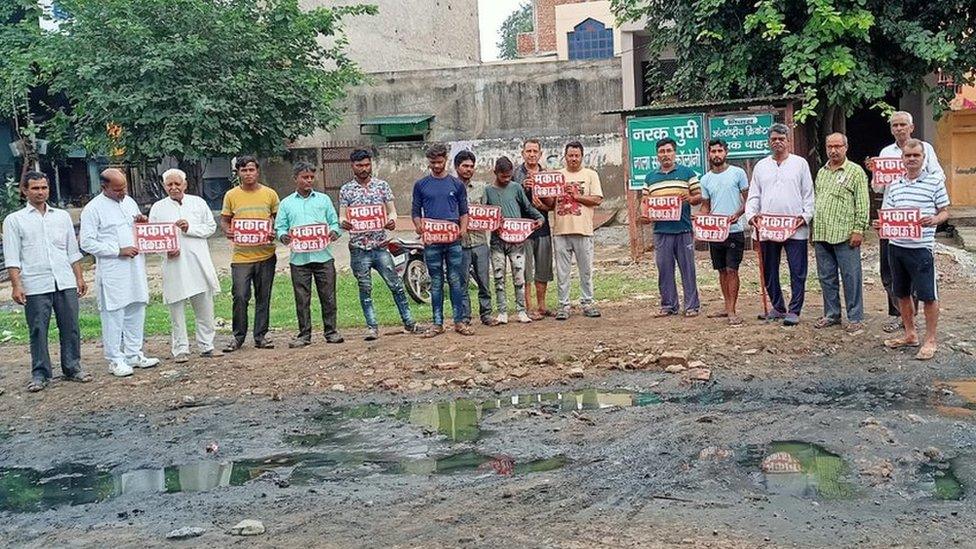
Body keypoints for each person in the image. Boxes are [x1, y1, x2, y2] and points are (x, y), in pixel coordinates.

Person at [3, 171, 91, 391]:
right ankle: (41, 374)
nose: (40, 192)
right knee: (38, 329)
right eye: (35, 188)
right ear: (24, 191)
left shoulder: (61, 217)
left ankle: (72, 367)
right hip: (35, 283)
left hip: (64, 279)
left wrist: (79, 276)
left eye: (44, 188)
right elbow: (12, 257)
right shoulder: (15, 220)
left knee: (70, 326)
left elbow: (72, 250)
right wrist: (16, 285)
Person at [80, 168, 160, 376]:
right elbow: (87, 243)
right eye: (117, 190)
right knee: (114, 314)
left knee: (136, 307)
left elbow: (133, 228)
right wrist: (117, 251)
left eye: (124, 188)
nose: (122, 192)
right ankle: (115, 359)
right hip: (113, 269)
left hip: (135, 267)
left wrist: (141, 224)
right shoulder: (93, 209)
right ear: (104, 187)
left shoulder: (129, 202)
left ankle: (134, 353)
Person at [875, 140, 949, 360]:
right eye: (908, 156)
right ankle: (910, 334)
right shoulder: (895, 184)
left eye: (916, 155)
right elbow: (888, 213)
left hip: (921, 248)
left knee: (928, 295)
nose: (912, 159)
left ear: (923, 158)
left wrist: (935, 219)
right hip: (896, 247)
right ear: (902, 159)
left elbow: (945, 211)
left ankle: (930, 340)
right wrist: (881, 224)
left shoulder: (935, 182)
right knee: (902, 293)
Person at [339, 149, 421, 340]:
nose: (364, 169)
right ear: (352, 166)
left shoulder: (382, 186)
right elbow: (342, 215)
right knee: (365, 288)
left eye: (367, 165)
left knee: (396, 285)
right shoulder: (346, 190)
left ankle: (409, 322)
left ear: (371, 164)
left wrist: (391, 221)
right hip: (359, 247)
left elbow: (392, 211)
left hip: (380, 244)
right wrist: (344, 222)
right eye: (359, 166)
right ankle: (372, 327)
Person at [148, 168, 221, 363]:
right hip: (174, 264)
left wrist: (190, 228)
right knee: (176, 309)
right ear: (164, 187)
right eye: (169, 184)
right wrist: (165, 251)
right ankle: (180, 349)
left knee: (204, 305)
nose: (173, 188)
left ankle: (207, 345)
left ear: (185, 184)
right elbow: (153, 237)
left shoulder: (198, 202)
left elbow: (211, 227)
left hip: (198, 261)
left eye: (177, 184)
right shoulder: (158, 208)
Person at [745, 123, 815, 326]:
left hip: (795, 228)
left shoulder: (800, 164)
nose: (777, 142)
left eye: (781, 139)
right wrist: (751, 216)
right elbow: (754, 195)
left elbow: (808, 194)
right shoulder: (761, 166)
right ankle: (777, 307)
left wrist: (805, 216)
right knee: (769, 270)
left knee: (797, 270)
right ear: (769, 141)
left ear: (788, 141)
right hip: (767, 228)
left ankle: (795, 310)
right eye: (773, 139)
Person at [275, 161, 343, 347]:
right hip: (299, 259)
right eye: (305, 177)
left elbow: (334, 222)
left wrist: (334, 232)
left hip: (323, 256)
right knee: (302, 298)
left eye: (312, 177)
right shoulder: (286, 203)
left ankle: (331, 331)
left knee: (328, 295)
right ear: (295, 179)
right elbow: (279, 227)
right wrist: (284, 237)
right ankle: (304, 334)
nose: (309, 180)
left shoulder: (324, 200)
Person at [220, 156, 280, 352]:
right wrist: (227, 230)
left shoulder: (270, 194)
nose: (248, 174)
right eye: (244, 170)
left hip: (265, 254)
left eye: (251, 170)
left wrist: (274, 232)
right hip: (241, 257)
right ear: (238, 173)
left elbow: (277, 220)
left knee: (263, 296)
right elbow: (225, 220)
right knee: (240, 295)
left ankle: (260, 336)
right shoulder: (231, 195)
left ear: (257, 171)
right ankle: (238, 337)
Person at [411, 143, 471, 337]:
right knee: (436, 281)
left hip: (453, 239)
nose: (436, 166)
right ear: (428, 162)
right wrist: (419, 226)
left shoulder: (457, 184)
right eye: (432, 163)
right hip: (432, 240)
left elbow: (464, 211)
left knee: (456, 280)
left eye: (439, 162)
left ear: (446, 159)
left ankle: (459, 322)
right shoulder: (421, 185)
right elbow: (415, 210)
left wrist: (462, 230)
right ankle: (437, 323)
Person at [812, 133, 869, 333]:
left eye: (837, 146)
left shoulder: (855, 172)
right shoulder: (822, 172)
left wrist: (859, 229)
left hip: (846, 234)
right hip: (822, 233)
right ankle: (832, 314)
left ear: (846, 147)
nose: (833, 150)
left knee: (851, 276)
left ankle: (855, 317)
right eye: (830, 146)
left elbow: (862, 203)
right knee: (826, 277)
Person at [639, 137, 702, 318]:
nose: (665, 155)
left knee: (687, 269)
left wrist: (689, 199)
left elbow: (698, 196)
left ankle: (691, 306)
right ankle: (668, 305)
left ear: (675, 153)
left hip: (683, 229)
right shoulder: (650, 177)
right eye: (661, 152)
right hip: (661, 231)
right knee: (664, 270)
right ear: (657, 155)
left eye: (668, 151)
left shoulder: (687, 173)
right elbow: (645, 202)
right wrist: (645, 215)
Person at [484, 156, 544, 324]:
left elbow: (527, 207)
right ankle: (502, 311)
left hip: (517, 239)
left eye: (509, 176)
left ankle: (521, 310)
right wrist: (494, 223)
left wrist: (539, 218)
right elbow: (484, 214)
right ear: (495, 173)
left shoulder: (516, 188)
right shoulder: (488, 191)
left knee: (519, 276)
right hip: (497, 239)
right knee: (498, 276)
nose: (506, 179)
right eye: (503, 176)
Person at [698, 139, 749, 325]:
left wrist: (738, 214)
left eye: (720, 151)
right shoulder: (705, 179)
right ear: (709, 154)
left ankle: (733, 310)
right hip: (716, 232)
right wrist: (702, 221)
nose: (716, 154)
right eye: (713, 151)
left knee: (732, 269)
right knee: (720, 270)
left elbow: (748, 199)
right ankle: (726, 306)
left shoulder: (738, 173)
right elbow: (705, 206)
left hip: (734, 230)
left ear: (726, 152)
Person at [553, 141, 603, 320]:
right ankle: (563, 305)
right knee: (562, 271)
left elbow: (597, 199)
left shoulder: (590, 175)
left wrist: (577, 197)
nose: (573, 159)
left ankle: (587, 302)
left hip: (584, 230)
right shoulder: (557, 175)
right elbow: (550, 203)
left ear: (582, 156)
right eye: (570, 155)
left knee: (586, 270)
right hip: (560, 230)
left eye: (576, 156)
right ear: (565, 157)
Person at [514, 139, 556, 319]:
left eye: (535, 151)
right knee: (525, 269)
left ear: (540, 154)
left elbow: (552, 204)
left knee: (543, 267)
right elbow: (510, 200)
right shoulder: (516, 175)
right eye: (528, 151)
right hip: (523, 228)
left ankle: (542, 305)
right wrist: (523, 188)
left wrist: (543, 200)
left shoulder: (546, 174)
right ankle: (528, 306)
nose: (531, 154)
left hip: (543, 227)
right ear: (522, 153)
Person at [455, 150, 493, 327]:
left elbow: (488, 212)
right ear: (457, 167)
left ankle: (486, 314)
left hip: (479, 242)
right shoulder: (451, 188)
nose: (468, 169)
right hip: (459, 244)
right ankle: (465, 317)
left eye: (471, 166)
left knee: (484, 281)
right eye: (465, 166)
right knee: (462, 283)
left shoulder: (481, 188)